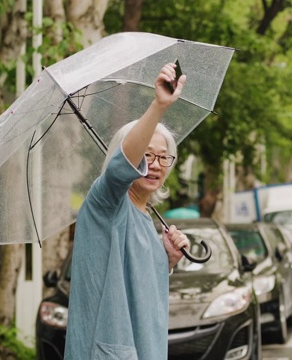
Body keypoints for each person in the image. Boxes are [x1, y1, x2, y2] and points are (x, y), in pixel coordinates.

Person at [64, 63, 189, 360]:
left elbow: (142, 296)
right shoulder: (105, 204)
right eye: (146, 155)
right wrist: (159, 106)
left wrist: (167, 262)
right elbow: (122, 169)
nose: (154, 164)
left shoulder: (147, 222)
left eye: (162, 157)